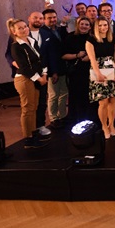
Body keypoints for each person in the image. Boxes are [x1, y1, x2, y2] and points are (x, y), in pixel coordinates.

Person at [8, 18, 49, 149]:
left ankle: (33, 133)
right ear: (14, 32)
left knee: (34, 107)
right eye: (20, 28)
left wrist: (44, 74)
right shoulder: (16, 46)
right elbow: (24, 67)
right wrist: (39, 78)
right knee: (27, 109)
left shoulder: (32, 41)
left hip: (36, 78)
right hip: (24, 79)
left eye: (25, 26)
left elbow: (40, 60)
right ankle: (28, 138)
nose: (24, 29)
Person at [85, 16, 115, 139]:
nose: (103, 27)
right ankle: (104, 126)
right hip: (98, 71)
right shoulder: (91, 40)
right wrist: (98, 74)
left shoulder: (113, 39)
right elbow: (92, 59)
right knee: (103, 102)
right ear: (96, 27)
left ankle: (111, 125)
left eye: (105, 25)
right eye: (100, 25)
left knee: (112, 100)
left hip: (112, 71)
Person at [40, 8, 69, 129]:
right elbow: (46, 55)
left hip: (63, 67)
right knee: (53, 95)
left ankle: (62, 115)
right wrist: (52, 72)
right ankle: (53, 118)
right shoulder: (42, 33)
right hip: (52, 70)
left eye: (54, 17)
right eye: (49, 18)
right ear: (44, 19)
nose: (52, 20)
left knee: (64, 93)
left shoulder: (58, 29)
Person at [61, 16, 93, 125]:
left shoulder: (93, 38)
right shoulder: (70, 38)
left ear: (90, 27)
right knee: (76, 97)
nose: (84, 26)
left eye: (86, 24)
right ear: (78, 25)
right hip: (76, 73)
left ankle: (90, 121)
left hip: (90, 72)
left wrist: (90, 57)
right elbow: (63, 55)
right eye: (82, 24)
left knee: (89, 97)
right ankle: (77, 121)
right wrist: (76, 55)